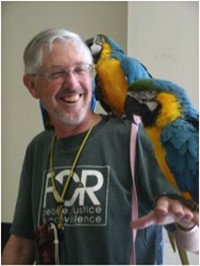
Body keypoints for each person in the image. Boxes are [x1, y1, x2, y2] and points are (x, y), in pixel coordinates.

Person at [2, 28, 199, 265]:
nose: (72, 83)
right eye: (57, 73)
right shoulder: (38, 147)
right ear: (32, 86)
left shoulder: (137, 137)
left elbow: (192, 237)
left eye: (80, 69)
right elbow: (22, 245)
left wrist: (186, 223)